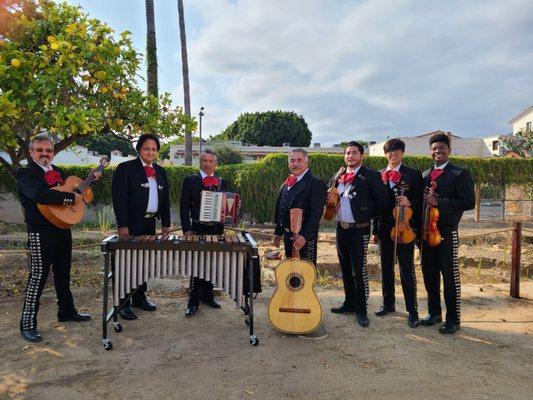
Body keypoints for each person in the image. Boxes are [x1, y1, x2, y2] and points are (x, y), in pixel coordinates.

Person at [17, 134, 100, 342]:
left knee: (63, 273)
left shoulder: (59, 173)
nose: (45, 154)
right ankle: (27, 324)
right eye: (40, 150)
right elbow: (40, 195)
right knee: (38, 276)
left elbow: (71, 199)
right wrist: (72, 197)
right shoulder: (25, 173)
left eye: (48, 151)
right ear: (31, 152)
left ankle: (66, 311)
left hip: (62, 229)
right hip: (40, 231)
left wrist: (85, 188)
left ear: (53, 153)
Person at [111, 133, 171, 321]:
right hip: (131, 224)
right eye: (146, 148)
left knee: (144, 263)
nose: (150, 152)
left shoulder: (161, 172)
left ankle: (139, 298)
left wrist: (166, 223)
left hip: (150, 223)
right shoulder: (125, 169)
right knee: (127, 264)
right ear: (139, 150)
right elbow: (119, 199)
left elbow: (165, 200)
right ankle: (123, 302)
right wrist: (123, 225)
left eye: (154, 149)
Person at [420, 133, 475, 334]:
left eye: (441, 148)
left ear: (449, 150)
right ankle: (434, 313)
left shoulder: (459, 173)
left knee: (450, 275)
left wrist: (440, 203)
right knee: (429, 274)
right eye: (434, 148)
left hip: (446, 231)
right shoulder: (425, 175)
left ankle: (453, 319)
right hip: (426, 234)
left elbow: (469, 202)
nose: (437, 151)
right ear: (430, 151)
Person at [330, 141, 388, 328]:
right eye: (347, 153)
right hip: (341, 228)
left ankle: (362, 309)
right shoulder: (339, 175)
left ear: (361, 156)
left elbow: (383, 202)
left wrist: (365, 214)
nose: (351, 156)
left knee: (359, 270)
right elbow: (332, 196)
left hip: (359, 229)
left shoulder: (370, 175)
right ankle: (349, 303)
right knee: (345, 268)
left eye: (354, 153)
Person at [272, 148, 327, 339]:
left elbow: (316, 214)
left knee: (306, 278)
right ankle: (293, 314)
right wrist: (278, 234)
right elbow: (280, 209)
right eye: (292, 160)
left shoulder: (315, 183)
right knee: (292, 278)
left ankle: (309, 317)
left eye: (299, 160)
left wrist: (305, 235)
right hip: (288, 238)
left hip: (305, 239)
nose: (295, 163)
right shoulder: (287, 183)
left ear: (307, 161)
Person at [371, 138, 423, 328]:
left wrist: (410, 203)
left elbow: (420, 201)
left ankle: (413, 311)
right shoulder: (379, 175)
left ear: (402, 152)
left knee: (406, 269)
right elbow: (376, 206)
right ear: (386, 154)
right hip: (385, 227)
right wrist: (374, 231)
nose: (393, 154)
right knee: (386, 267)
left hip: (404, 227)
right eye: (389, 151)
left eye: (396, 150)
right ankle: (388, 303)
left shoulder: (413, 174)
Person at [180, 149, 227, 317]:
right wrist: (187, 229)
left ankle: (208, 297)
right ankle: (193, 301)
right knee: (197, 264)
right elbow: (183, 206)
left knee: (212, 264)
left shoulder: (222, 182)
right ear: (200, 162)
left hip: (216, 229)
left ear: (216, 164)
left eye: (211, 161)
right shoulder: (191, 180)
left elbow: (226, 206)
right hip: (197, 228)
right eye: (204, 161)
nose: (207, 164)